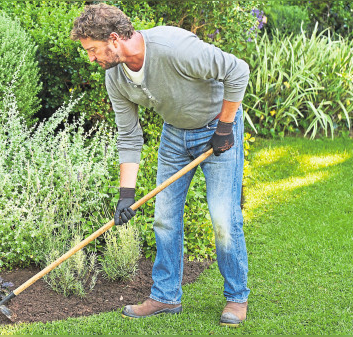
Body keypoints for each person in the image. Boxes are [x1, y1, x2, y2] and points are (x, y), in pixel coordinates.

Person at [70, 4, 250, 327]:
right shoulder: (115, 78)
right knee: (164, 218)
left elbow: (238, 71)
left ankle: (236, 297)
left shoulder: (173, 48)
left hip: (216, 127)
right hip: (175, 136)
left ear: (113, 39)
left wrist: (224, 127)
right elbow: (128, 135)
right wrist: (126, 194)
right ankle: (166, 296)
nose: (91, 58)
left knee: (223, 215)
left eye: (93, 50)